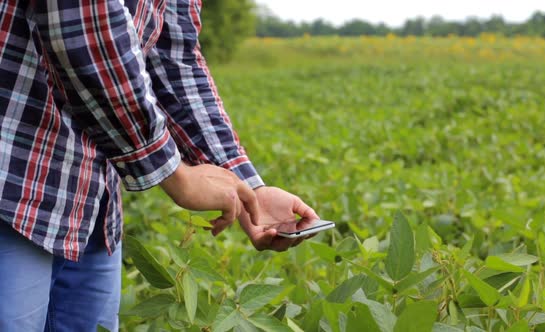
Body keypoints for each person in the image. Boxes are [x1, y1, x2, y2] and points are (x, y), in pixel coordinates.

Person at [0, 0, 319, 331]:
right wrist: (175, 175)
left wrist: (249, 190)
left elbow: (172, 61)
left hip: (90, 201)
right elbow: (82, 27)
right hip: (12, 182)